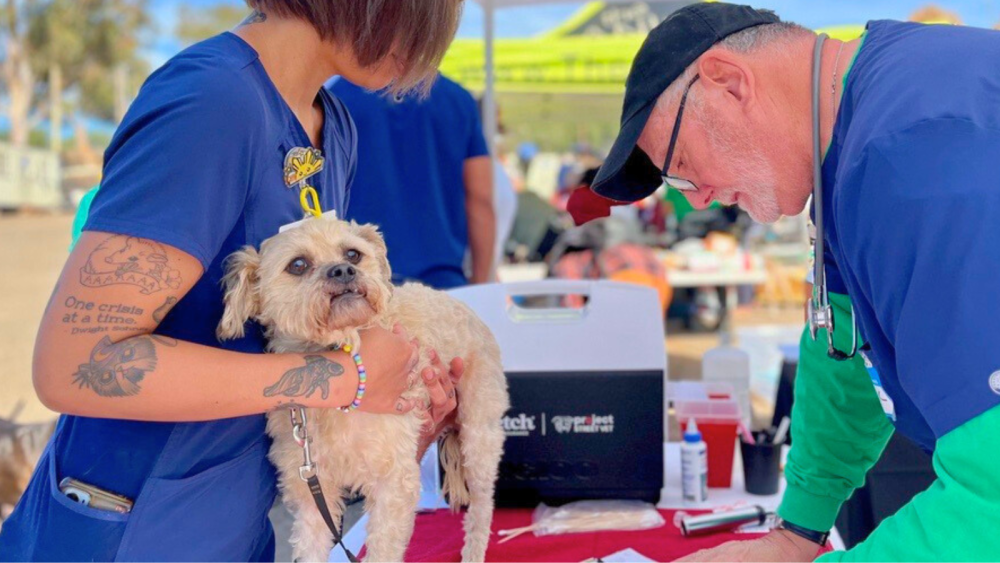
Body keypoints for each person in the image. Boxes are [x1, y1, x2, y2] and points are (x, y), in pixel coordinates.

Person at [0, 2, 466, 560]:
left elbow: (295, 343)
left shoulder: (333, 124)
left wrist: (391, 409)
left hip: (241, 523)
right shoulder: (212, 103)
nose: (430, 40)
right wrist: (349, 378)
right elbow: (77, 363)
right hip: (135, 530)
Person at [571, 3, 1000, 561]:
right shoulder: (853, 141)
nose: (695, 198)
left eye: (678, 167)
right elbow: (841, 347)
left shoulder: (912, 153)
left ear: (727, 82)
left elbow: (990, 495)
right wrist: (797, 532)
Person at [329, 74, 495, 289]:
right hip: (442, 283)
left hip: (359, 282)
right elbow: (480, 198)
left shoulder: (336, 96)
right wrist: (479, 285)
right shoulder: (458, 99)